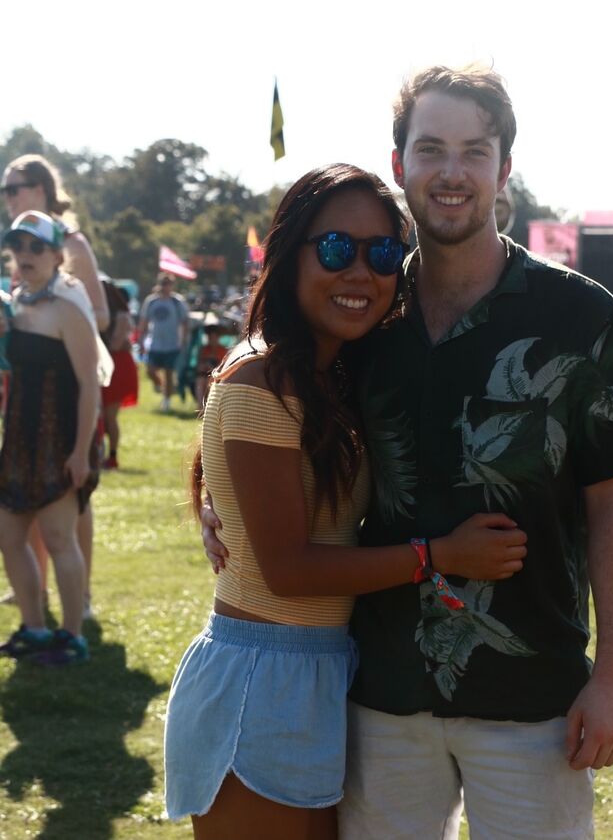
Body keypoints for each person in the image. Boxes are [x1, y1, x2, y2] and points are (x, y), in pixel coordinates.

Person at [203, 66, 613, 840]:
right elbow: (270, 412)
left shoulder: (581, 315)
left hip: (532, 694)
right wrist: (219, 502)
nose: (452, 172)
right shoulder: (368, 309)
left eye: (475, 151)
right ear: (401, 163)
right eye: (432, 148)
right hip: (380, 692)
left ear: (505, 168)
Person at [166, 163, 528, 840]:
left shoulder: (334, 375)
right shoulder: (262, 377)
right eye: (336, 249)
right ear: (289, 254)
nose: (360, 271)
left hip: (327, 671)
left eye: (384, 253)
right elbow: (289, 571)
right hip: (261, 679)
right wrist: (441, 556)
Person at [0, 155, 108, 619]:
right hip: (28, 398)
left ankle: (77, 604)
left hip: (69, 393)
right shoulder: (23, 250)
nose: (7, 197)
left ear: (41, 189)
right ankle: (36, 602)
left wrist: (64, 311)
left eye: (15, 187)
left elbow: (100, 315)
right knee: (25, 518)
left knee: (69, 510)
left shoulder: (71, 243)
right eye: (5, 190)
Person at [100, 278, 139, 469]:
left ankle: (112, 457)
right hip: (105, 365)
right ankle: (101, 454)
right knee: (100, 416)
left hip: (119, 366)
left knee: (109, 416)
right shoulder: (100, 314)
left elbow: (115, 344)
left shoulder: (121, 315)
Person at [139, 273, 189, 411]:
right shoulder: (151, 301)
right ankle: (163, 387)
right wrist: (141, 341)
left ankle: (166, 401)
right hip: (154, 343)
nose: (165, 286)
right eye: (163, 283)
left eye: (168, 283)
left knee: (168, 372)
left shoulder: (177, 302)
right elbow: (144, 322)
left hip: (172, 343)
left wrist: (183, 339)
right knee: (150, 371)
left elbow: (185, 322)